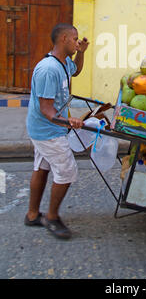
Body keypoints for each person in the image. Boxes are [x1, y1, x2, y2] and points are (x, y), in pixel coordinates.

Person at [24, 23, 89, 239]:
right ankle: (52, 218)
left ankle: (33, 215)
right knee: (67, 171)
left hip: (50, 126)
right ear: (63, 39)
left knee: (42, 167)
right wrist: (67, 121)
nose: (77, 42)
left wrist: (81, 53)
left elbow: (77, 71)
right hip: (47, 129)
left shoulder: (63, 63)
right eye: (74, 39)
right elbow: (45, 108)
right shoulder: (48, 69)